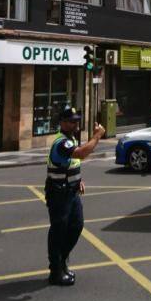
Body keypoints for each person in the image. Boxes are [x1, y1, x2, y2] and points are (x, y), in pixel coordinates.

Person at [45, 106, 106, 286]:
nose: (76, 124)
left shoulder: (70, 139)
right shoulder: (61, 142)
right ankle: (55, 270)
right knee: (59, 230)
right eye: (72, 121)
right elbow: (79, 153)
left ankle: (62, 260)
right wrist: (97, 136)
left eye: (77, 121)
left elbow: (74, 161)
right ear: (63, 122)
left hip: (70, 191)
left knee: (76, 226)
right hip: (58, 193)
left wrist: (77, 180)